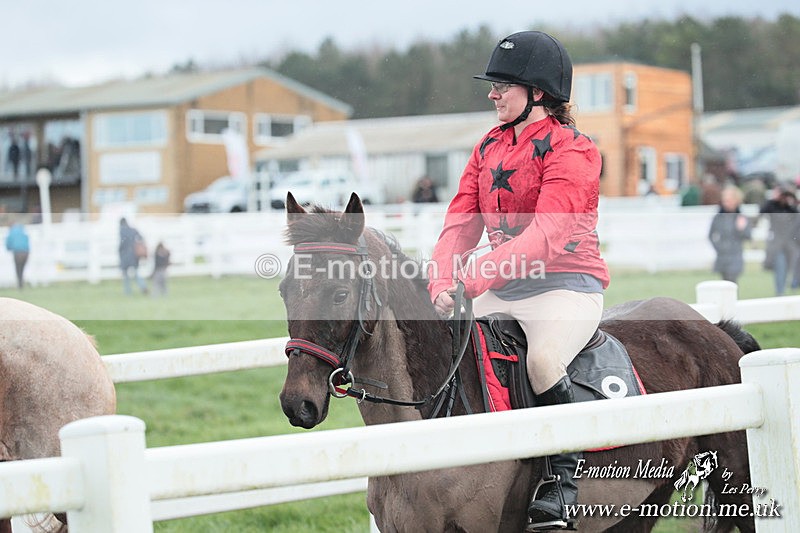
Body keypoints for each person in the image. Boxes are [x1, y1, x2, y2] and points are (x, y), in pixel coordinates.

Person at [427, 31, 608, 530]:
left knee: (543, 360)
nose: (491, 94)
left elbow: (548, 235)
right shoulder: (487, 147)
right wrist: (442, 280)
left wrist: (476, 276)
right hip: (504, 290)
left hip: (565, 287)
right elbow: (459, 224)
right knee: (440, 345)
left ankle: (559, 482)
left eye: (502, 85)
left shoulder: (573, 149)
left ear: (538, 93)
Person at [759, 186, 799, 296]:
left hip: (792, 244)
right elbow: (762, 211)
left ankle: (791, 285)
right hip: (778, 244)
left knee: (791, 267)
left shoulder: (792, 208)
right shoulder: (773, 206)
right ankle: (780, 291)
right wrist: (773, 199)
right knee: (780, 267)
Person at [708, 185, 752, 284]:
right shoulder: (718, 217)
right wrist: (718, 247)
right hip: (722, 255)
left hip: (735, 256)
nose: (726, 203)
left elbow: (748, 236)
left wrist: (740, 228)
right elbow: (711, 235)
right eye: (725, 200)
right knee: (724, 283)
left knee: (732, 282)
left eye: (729, 200)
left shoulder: (741, 217)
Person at [118, 218, 148, 295]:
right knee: (136, 272)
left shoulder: (122, 231)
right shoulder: (133, 230)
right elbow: (141, 238)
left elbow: (122, 244)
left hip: (125, 255)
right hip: (134, 255)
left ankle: (128, 292)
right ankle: (143, 286)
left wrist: (119, 251)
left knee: (126, 275)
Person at [5, 223, 30, 289]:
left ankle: (20, 284)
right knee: (22, 268)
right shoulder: (22, 231)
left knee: (18, 269)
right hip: (26, 252)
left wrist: (9, 248)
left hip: (18, 253)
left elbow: (8, 243)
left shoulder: (11, 232)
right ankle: (21, 283)